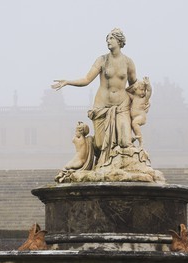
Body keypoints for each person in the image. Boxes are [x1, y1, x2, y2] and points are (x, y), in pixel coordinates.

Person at [52, 28, 137, 167]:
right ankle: (91, 156)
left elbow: (133, 85)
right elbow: (86, 79)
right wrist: (67, 82)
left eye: (111, 38)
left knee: (125, 140)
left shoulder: (128, 62)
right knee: (99, 144)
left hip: (122, 106)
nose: (108, 41)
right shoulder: (102, 60)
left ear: (119, 41)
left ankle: (119, 167)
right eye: (107, 39)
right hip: (102, 106)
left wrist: (144, 96)